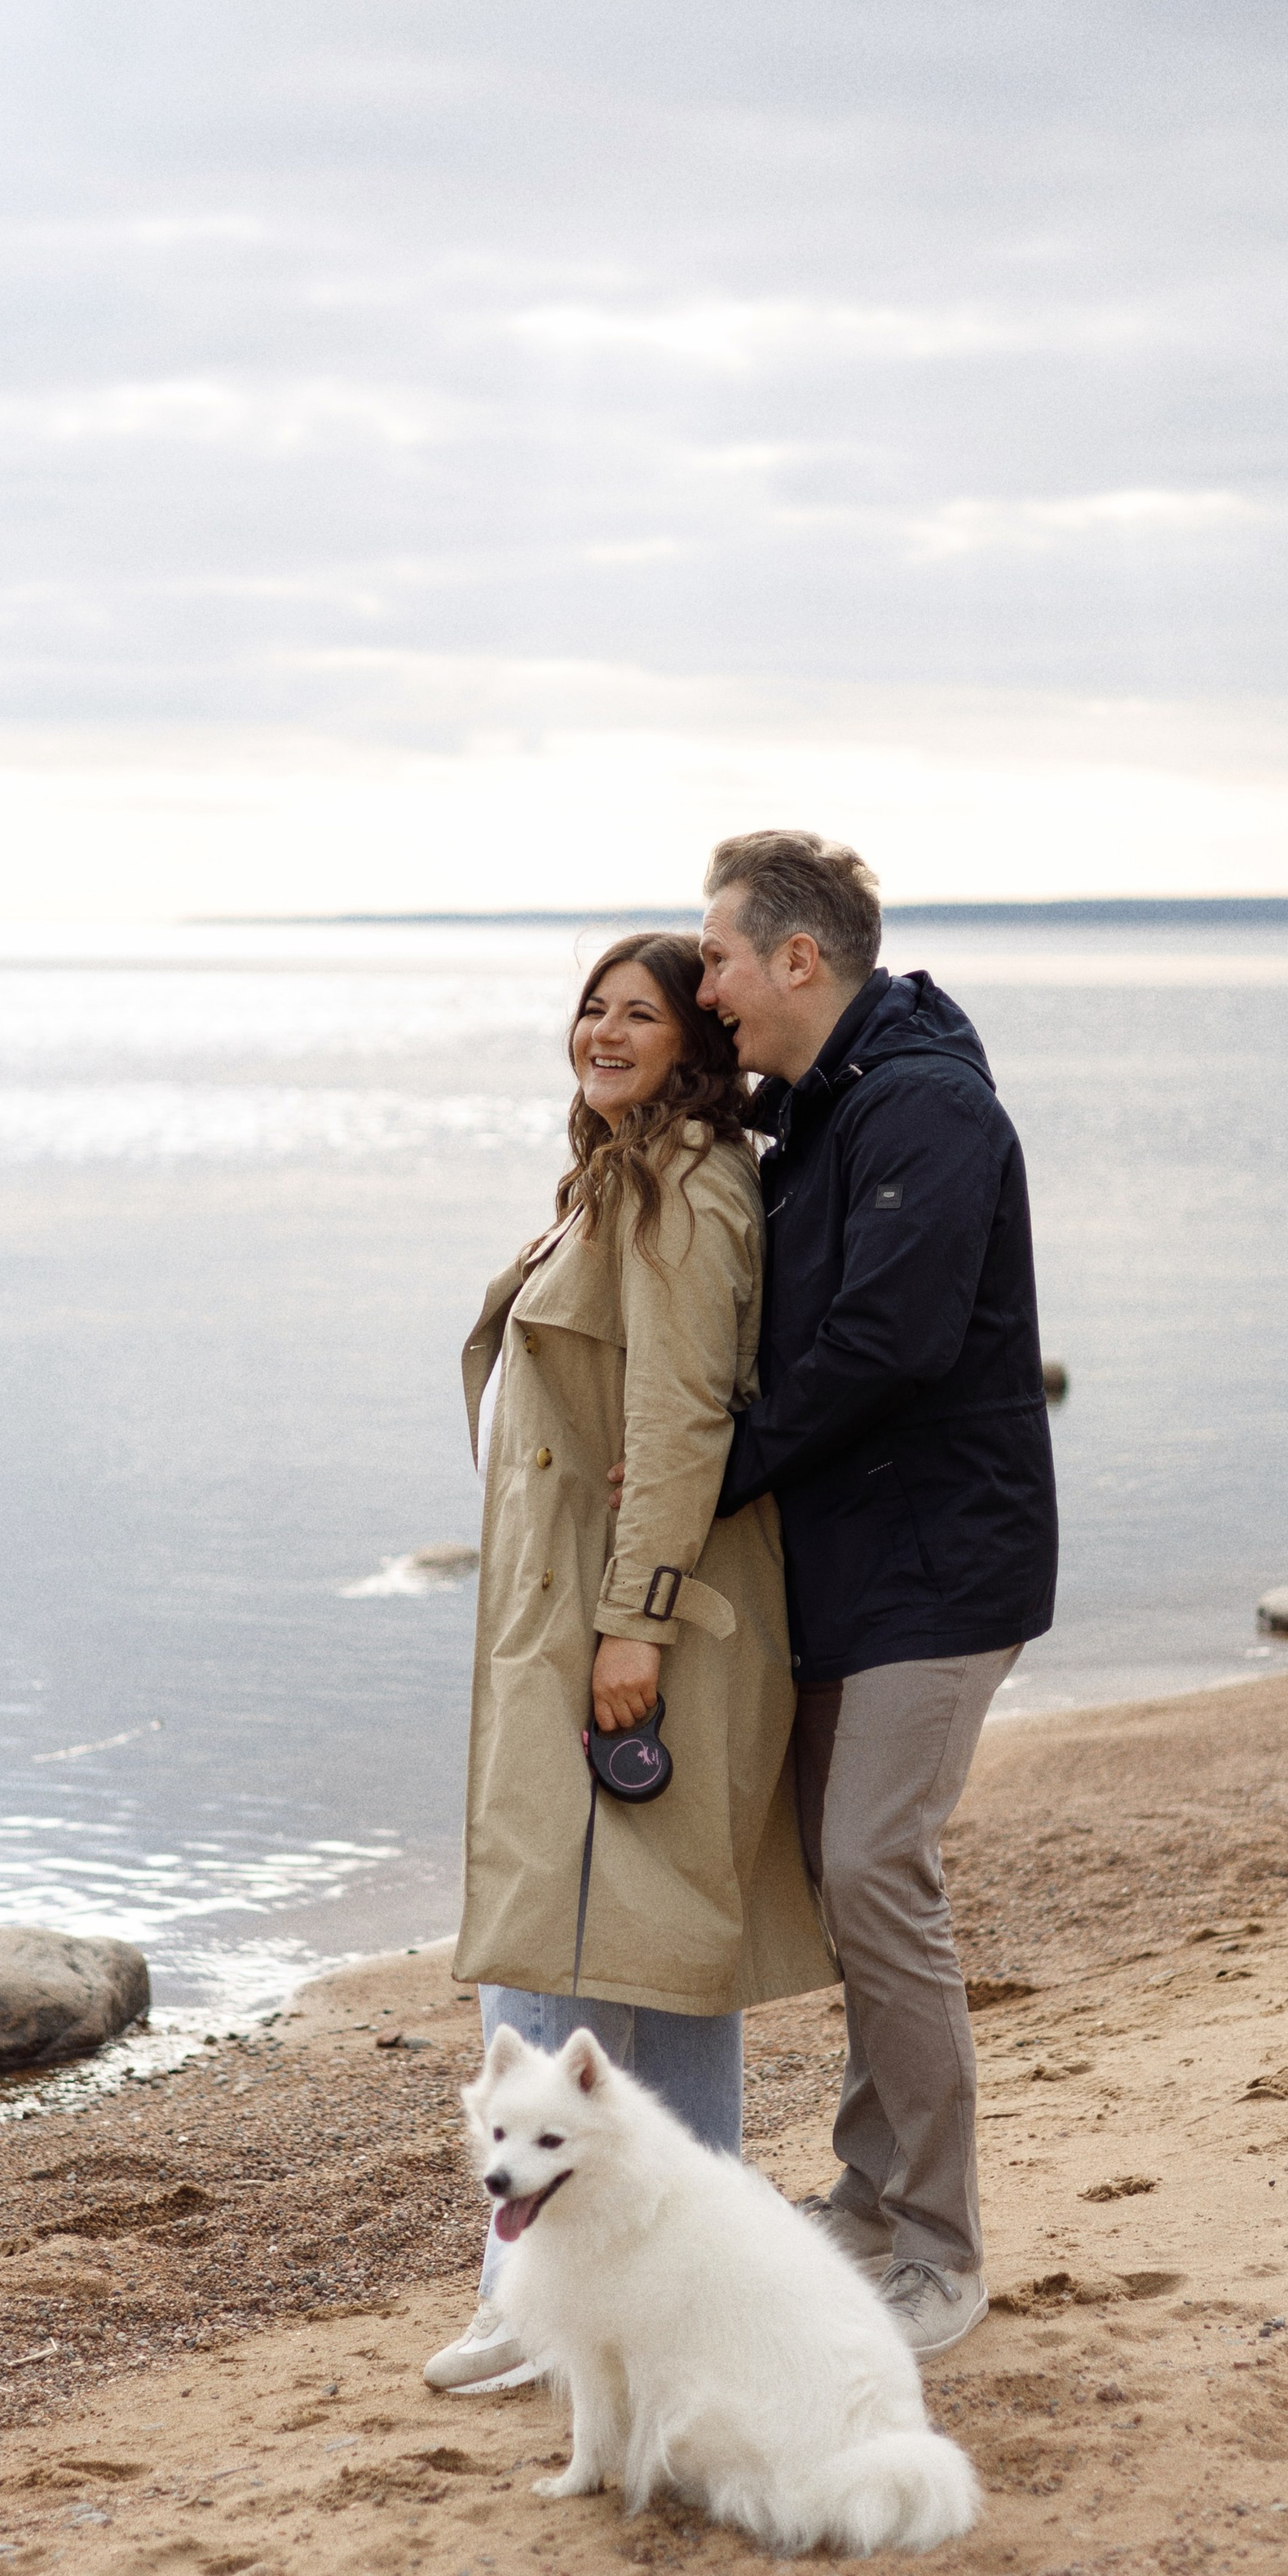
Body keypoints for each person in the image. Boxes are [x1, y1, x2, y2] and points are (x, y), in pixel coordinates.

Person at [424, 931, 835, 2391]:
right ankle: (632, 2296)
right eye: (591, 1006)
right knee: (636, 1961)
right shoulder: (616, 1175)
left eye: (639, 1013)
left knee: (585, 1963)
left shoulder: (686, 1184)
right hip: (580, 1611)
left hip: (634, 1627)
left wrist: (634, 1624)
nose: (602, 1030)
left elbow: (683, 1422)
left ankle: (539, 2300)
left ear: (696, 1044)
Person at [695, 829, 1059, 2360]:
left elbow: (887, 1346)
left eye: (715, 956)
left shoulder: (925, 1105)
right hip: (855, 1560)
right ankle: (865, 2190)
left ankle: (939, 2247)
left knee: (873, 1871)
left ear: (799, 958)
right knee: (854, 1884)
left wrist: (707, 1474)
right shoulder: (823, 1110)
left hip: (944, 1564)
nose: (701, 985)